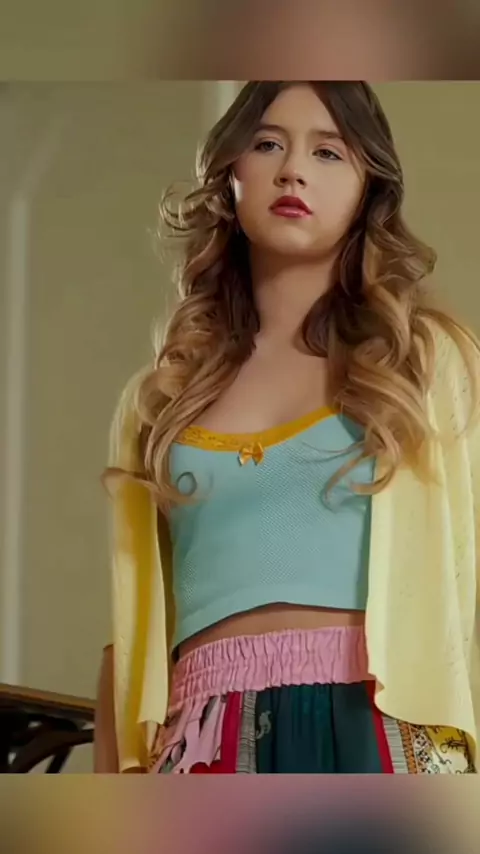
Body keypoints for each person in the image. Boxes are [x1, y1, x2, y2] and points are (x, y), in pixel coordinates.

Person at [95, 81, 480, 774]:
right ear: (231, 172)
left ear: (368, 187)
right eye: (268, 143)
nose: (293, 170)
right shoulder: (160, 398)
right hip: (201, 735)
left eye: (328, 152)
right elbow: (131, 628)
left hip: (372, 725)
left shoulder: (423, 361)